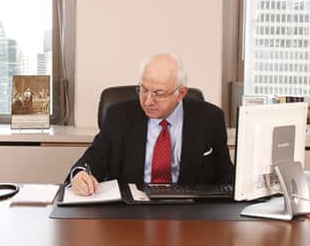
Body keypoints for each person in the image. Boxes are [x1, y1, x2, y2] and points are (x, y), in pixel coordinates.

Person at [69, 53, 233, 195]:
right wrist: (80, 174)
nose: (148, 101)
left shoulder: (210, 118)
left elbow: (226, 176)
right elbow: (94, 158)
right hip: (130, 212)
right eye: (144, 90)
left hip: (189, 212)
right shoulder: (118, 116)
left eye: (159, 94)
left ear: (181, 93)